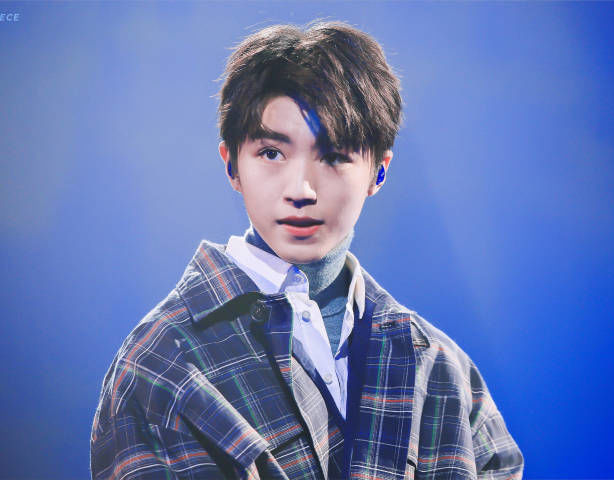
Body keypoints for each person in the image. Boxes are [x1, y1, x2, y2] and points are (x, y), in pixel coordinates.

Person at [90, 21, 523, 479]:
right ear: (232, 165)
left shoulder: (443, 370)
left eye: (334, 156)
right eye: (272, 153)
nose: (301, 190)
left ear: (379, 172)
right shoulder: (163, 362)